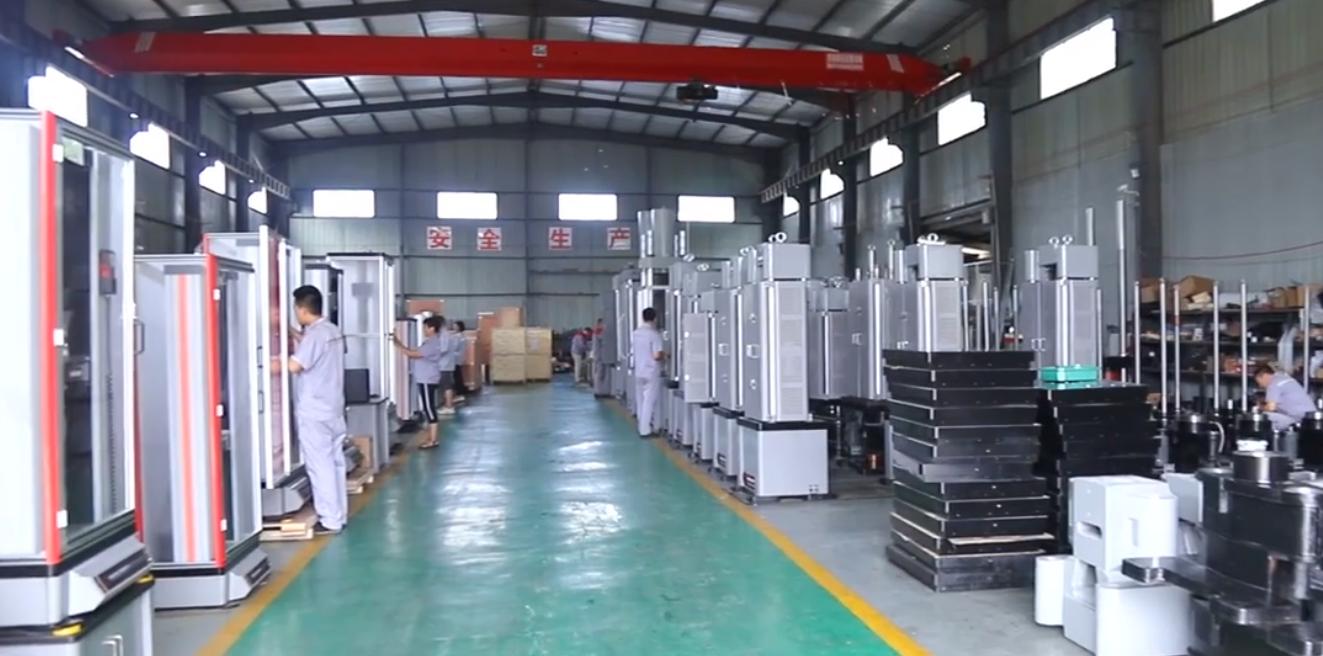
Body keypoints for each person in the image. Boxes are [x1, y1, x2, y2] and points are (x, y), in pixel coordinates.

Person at [289, 285, 347, 535]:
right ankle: (339, 515)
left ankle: (330, 520)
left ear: (302, 309)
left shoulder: (315, 336)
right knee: (335, 463)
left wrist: (261, 363)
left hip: (315, 411)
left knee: (320, 466)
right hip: (333, 408)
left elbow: (295, 366)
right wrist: (290, 332)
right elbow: (314, 349)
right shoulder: (332, 330)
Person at [392, 316, 446, 448]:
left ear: (432, 328)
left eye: (425, 328)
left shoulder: (432, 344)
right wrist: (398, 342)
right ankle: (432, 437)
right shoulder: (430, 342)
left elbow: (413, 354)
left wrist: (396, 343)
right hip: (426, 378)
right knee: (428, 407)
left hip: (427, 379)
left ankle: (433, 440)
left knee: (429, 408)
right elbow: (413, 352)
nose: (424, 330)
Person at [631, 307, 665, 438]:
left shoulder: (636, 333)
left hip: (639, 371)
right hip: (651, 372)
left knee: (640, 400)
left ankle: (642, 425)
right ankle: (645, 430)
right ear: (655, 318)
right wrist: (666, 355)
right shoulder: (654, 334)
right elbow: (657, 355)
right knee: (649, 401)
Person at [1255, 364, 1316, 432]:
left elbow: (1271, 408)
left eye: (1259, 382)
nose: (1260, 386)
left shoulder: (1273, 383)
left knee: (1264, 417)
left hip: (1298, 419)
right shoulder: (1284, 378)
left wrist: (1260, 408)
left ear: (1263, 376)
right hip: (1310, 418)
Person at [449, 320, 468, 404]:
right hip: (459, 358)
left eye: (455, 326)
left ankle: (459, 393)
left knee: (456, 377)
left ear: (459, 327)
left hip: (454, 359)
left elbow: (454, 347)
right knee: (458, 376)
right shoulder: (462, 336)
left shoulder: (457, 337)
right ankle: (460, 392)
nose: (454, 327)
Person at [591, 318, 608, 396]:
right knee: (599, 374)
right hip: (599, 355)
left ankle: (599, 390)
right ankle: (598, 391)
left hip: (598, 354)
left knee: (598, 373)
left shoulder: (596, 331)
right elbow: (603, 339)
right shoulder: (598, 332)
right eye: (603, 324)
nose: (604, 326)